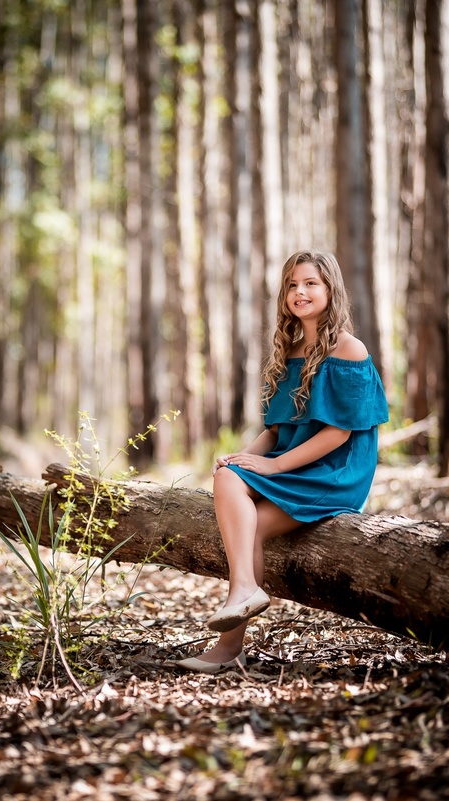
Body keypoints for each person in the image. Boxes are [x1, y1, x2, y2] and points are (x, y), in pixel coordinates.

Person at [174, 249, 389, 674]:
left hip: (333, 471)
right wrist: (246, 456)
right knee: (232, 487)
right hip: (291, 459)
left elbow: (338, 433)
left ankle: (241, 597)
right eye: (292, 285)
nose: (300, 292)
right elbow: (275, 429)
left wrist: (272, 467)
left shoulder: (348, 349)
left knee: (237, 489)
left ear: (331, 290)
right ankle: (233, 635)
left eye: (310, 283)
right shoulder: (289, 348)